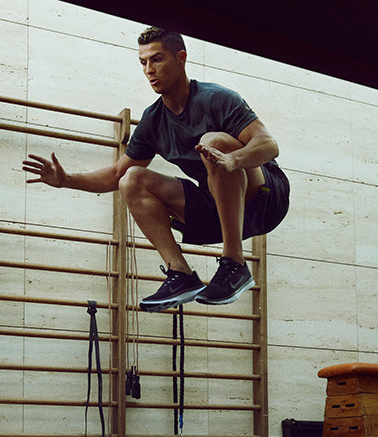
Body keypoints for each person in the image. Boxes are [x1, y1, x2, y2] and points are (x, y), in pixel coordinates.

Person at [23, 27, 289, 312]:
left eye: (157, 59)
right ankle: (180, 274)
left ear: (181, 58)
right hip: (218, 208)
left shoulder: (215, 99)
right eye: (143, 62)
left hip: (264, 198)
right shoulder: (153, 120)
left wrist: (234, 160)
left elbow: (268, 145)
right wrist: (66, 180)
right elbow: (116, 175)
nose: (149, 69)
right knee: (131, 179)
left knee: (214, 142)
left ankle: (235, 263)